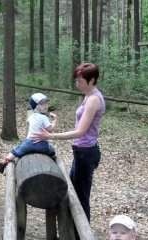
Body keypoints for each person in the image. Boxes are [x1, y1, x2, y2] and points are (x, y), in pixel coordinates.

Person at [33, 63, 105, 222]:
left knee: (81, 198)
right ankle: (72, 235)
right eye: (76, 80)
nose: (77, 84)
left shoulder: (94, 99)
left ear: (92, 80)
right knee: (72, 192)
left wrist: (50, 136)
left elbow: (80, 131)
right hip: (81, 152)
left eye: (80, 81)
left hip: (86, 154)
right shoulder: (87, 96)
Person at [0, 93, 57, 173]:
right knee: (52, 150)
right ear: (36, 107)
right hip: (42, 145)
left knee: (16, 150)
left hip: (29, 144)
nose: (46, 105)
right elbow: (50, 129)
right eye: (42, 104)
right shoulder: (44, 118)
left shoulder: (31, 117)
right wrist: (55, 120)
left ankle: (5, 160)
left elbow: (29, 123)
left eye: (46, 103)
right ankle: (52, 162)